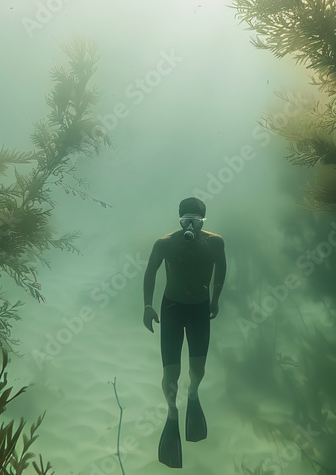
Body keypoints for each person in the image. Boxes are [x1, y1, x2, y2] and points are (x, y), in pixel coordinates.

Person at [143, 197, 226, 468]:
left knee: (197, 369)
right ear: (179, 220)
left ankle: (193, 392)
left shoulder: (215, 243)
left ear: (203, 221)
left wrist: (215, 300)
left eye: (196, 221)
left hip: (199, 310)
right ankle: (171, 411)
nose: (191, 226)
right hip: (172, 309)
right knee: (171, 373)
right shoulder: (165, 243)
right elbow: (150, 271)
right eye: (186, 220)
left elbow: (221, 269)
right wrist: (147, 306)